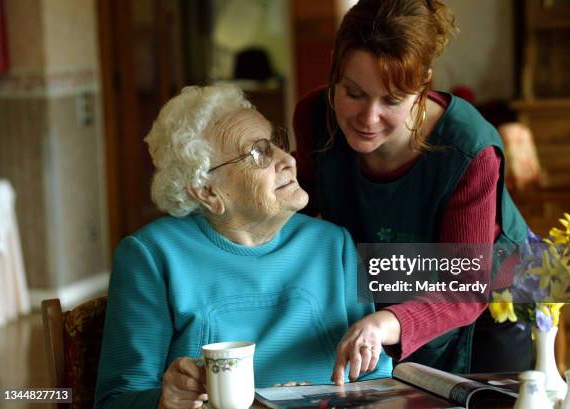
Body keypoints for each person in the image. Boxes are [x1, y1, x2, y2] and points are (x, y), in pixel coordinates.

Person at [94, 84, 393, 409]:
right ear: (206, 191)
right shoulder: (151, 256)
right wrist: (164, 402)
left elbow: (374, 379)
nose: (287, 160)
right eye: (258, 153)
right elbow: (116, 401)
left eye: (277, 143)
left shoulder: (334, 245)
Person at [293, 0, 532, 376]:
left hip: (486, 311)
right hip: (380, 298)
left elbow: (466, 288)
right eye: (353, 93)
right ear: (334, 72)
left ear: (422, 86)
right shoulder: (314, 119)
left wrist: (383, 323)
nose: (368, 119)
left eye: (391, 100)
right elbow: (296, 215)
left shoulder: (469, 150)